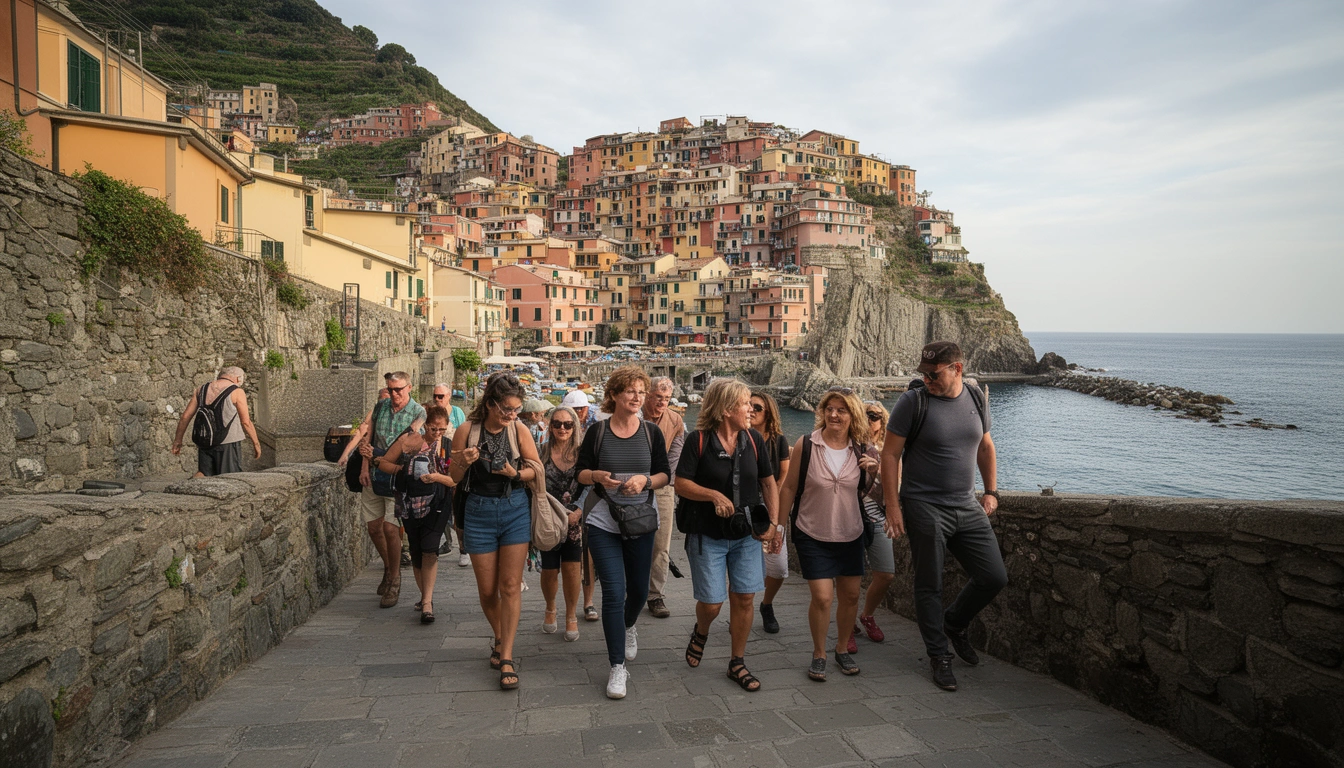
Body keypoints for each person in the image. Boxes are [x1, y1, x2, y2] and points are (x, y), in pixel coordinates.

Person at [881, 341, 1006, 692]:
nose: (927, 380)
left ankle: (954, 622)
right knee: (929, 584)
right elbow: (889, 455)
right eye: (923, 373)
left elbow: (985, 445)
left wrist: (991, 491)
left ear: (957, 369)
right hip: (924, 505)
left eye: (933, 374)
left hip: (966, 505)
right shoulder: (913, 402)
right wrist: (893, 506)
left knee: (994, 576)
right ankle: (939, 655)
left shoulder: (976, 397)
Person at [675, 379, 779, 692]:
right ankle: (702, 630)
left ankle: (737, 662)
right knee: (712, 603)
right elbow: (681, 484)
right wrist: (713, 495)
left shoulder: (754, 439)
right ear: (725, 410)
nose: (751, 409)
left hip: (746, 534)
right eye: (745, 403)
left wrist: (774, 523)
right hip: (707, 535)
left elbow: (768, 483)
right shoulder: (698, 440)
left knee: (745, 597)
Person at [576, 366, 670, 699]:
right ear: (614, 394)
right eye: (630, 391)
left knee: (640, 591)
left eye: (641, 392)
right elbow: (580, 472)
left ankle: (629, 625)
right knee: (614, 593)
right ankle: (617, 666)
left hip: (641, 520)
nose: (637, 397)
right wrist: (596, 476)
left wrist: (645, 480)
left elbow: (664, 474)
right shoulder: (597, 432)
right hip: (603, 521)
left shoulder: (651, 433)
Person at [776, 387, 875, 682]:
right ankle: (819, 653)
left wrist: (877, 471)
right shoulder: (807, 444)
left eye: (841, 410)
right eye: (829, 409)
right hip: (812, 531)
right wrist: (779, 528)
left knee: (851, 596)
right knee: (822, 597)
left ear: (852, 415)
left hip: (850, 532)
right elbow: (789, 488)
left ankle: (842, 648)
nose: (834, 415)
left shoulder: (862, 449)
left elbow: (877, 492)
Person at [448, 371, 540, 690]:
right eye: (506, 410)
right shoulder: (467, 430)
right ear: (490, 404)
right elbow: (454, 477)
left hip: (514, 508)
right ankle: (499, 636)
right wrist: (464, 461)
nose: (512, 415)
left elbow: (535, 470)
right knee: (488, 591)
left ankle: (507, 656)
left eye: (516, 409)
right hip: (478, 511)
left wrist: (515, 473)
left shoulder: (519, 430)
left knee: (510, 586)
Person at [336, 371, 425, 609]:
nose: (394, 394)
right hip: (374, 476)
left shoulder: (418, 412)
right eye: (391, 389)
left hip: (397, 476)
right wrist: (365, 466)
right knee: (374, 528)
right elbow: (369, 438)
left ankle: (395, 579)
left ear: (409, 388)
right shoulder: (380, 407)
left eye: (399, 389)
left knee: (390, 528)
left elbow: (408, 444)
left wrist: (379, 457)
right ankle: (389, 567)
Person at [372, 405, 455, 624]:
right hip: (409, 503)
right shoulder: (409, 441)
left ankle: (427, 603)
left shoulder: (448, 446)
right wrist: (402, 470)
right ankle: (424, 596)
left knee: (430, 548)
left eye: (442, 429)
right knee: (417, 551)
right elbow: (383, 462)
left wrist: (435, 477)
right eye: (433, 428)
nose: (437, 433)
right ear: (426, 425)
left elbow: (455, 479)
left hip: (437, 503)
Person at [538, 405, 587, 642]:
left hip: (574, 519)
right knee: (549, 570)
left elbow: (590, 485)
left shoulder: (582, 454)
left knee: (572, 569)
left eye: (568, 424)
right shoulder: (541, 452)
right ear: (550, 427)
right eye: (557, 424)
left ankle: (570, 615)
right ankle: (550, 608)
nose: (562, 428)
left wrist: (579, 510)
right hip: (548, 520)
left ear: (575, 426)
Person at [643, 376, 685, 619]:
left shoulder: (675, 420)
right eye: (658, 397)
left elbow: (674, 458)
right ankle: (631, 589)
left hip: (663, 486)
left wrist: (661, 482)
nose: (662, 402)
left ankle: (655, 595)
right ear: (648, 395)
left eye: (666, 398)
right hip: (632, 483)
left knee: (661, 544)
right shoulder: (635, 416)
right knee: (631, 539)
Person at [171, 367, 262, 477]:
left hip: (205, 440)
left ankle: (188, 487)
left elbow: (185, 416)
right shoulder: (237, 392)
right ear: (238, 378)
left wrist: (178, 440)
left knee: (204, 474)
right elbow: (246, 422)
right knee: (230, 477)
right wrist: (256, 443)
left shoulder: (201, 390)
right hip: (228, 442)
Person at [855, 400, 895, 647]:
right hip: (852, 519)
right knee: (850, 578)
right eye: (864, 415)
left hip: (878, 519)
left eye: (874, 415)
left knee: (886, 574)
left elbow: (896, 488)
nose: (869, 420)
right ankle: (847, 626)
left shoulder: (890, 451)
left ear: (882, 420)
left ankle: (867, 615)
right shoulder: (850, 446)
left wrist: (877, 470)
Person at [751, 390, 791, 634]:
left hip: (770, 508)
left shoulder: (778, 441)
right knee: (742, 566)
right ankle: (741, 610)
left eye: (757, 407)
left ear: (768, 413)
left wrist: (776, 518)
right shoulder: (739, 437)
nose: (751, 410)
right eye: (749, 406)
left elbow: (783, 479)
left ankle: (766, 604)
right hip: (744, 508)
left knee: (778, 567)